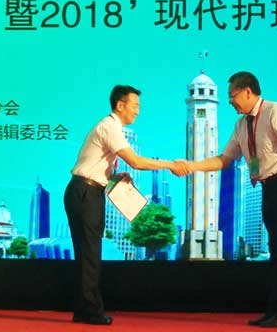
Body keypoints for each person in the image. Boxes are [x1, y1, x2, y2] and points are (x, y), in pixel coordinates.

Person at [179, 71, 277, 328]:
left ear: (248, 92)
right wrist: (192, 166)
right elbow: (224, 159)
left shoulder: (275, 111)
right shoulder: (242, 125)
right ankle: (274, 311)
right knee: (276, 253)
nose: (230, 101)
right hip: (268, 188)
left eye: (232, 96)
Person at [64, 85, 188, 326]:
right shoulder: (110, 127)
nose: (138, 111)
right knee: (90, 254)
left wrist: (114, 178)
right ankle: (91, 311)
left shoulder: (111, 127)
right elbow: (136, 162)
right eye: (135, 105)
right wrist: (171, 164)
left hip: (86, 191)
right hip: (86, 193)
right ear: (120, 105)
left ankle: (83, 309)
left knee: (87, 254)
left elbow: (95, 166)